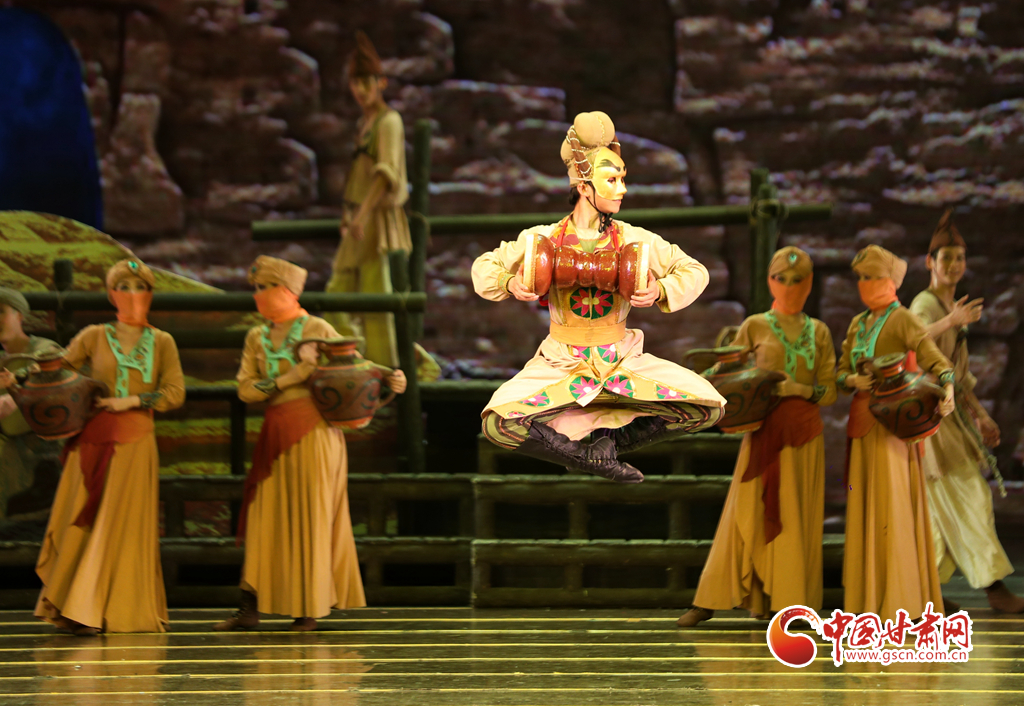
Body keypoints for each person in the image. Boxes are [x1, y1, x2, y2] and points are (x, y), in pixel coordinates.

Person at [471, 112, 725, 483]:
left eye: (623, 178)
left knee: (705, 408)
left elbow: (694, 270)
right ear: (584, 186)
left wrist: (661, 289)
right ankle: (588, 457)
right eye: (612, 179)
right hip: (562, 362)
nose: (622, 189)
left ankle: (609, 446)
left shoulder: (636, 239)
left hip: (620, 359)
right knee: (498, 424)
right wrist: (509, 282)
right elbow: (484, 266)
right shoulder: (542, 240)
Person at [215, 256, 407, 632]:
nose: (258, 295)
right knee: (265, 516)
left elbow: (354, 364)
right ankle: (249, 605)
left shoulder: (316, 328)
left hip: (315, 432)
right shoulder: (256, 337)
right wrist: (293, 376)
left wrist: (388, 377)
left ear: (289, 291)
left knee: (311, 515)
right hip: (276, 432)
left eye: (265, 287)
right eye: (256, 288)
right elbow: (245, 390)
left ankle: (307, 608)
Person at [677, 247, 837, 627]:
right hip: (763, 432)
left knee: (795, 518)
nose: (789, 286)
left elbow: (830, 390)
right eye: (781, 279)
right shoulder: (755, 325)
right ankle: (709, 600)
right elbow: (727, 366)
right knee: (743, 512)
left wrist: (799, 389)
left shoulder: (819, 331)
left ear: (809, 284)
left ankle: (790, 604)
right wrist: (708, 374)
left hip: (804, 435)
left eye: (797, 280)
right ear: (770, 281)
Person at [24, 259, 184, 636]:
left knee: (121, 523)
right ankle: (75, 606)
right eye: (123, 287)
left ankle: (108, 609)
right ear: (112, 294)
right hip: (93, 440)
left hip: (135, 442)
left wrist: (131, 401)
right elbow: (57, 370)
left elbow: (175, 392)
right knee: (84, 518)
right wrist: (24, 374)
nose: (132, 294)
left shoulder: (162, 341)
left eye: (139, 287)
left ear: (150, 293)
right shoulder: (94, 336)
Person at [909, 210, 1024, 613]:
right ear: (930, 262)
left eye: (959, 258)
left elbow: (959, 373)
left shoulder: (948, 304)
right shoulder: (925, 303)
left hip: (949, 415)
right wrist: (951, 321)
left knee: (941, 509)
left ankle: (927, 593)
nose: (954, 265)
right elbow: (910, 339)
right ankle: (993, 587)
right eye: (946, 258)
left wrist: (980, 414)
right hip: (929, 417)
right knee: (970, 496)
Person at [838, 244, 955, 623]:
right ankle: (866, 602)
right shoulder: (858, 324)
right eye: (860, 277)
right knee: (864, 507)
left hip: (894, 425)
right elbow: (840, 371)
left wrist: (948, 385)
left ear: (891, 280)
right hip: (862, 423)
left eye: (872, 276)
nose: (865, 283)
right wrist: (850, 380)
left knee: (893, 507)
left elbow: (932, 355)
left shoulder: (902, 318)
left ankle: (898, 602)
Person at [0, 287, 62, 520]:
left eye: (1, 311)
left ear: (19, 316)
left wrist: (15, 393)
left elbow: (47, 369)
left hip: (44, 454)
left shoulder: (43, 349)